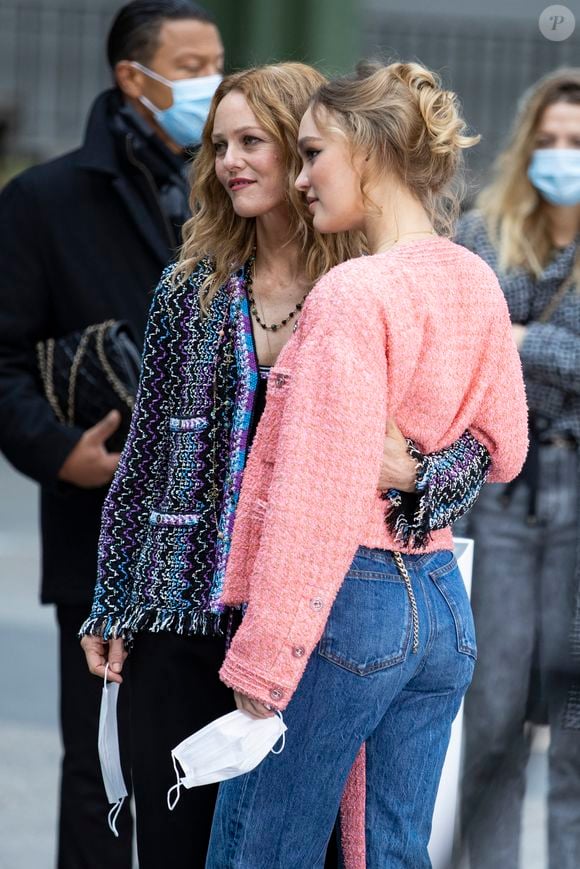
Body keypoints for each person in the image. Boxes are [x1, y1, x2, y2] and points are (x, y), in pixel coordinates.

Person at [79, 61, 494, 868]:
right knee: (177, 844)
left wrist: (415, 477)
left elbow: (474, 445)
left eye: (256, 142)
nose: (231, 161)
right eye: (218, 145)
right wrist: (112, 599)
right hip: (181, 619)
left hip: (317, 629)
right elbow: (147, 461)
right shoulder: (189, 289)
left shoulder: (370, 285)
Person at [204, 60, 529, 869]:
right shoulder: (473, 277)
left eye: (314, 153)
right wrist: (422, 469)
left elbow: (316, 493)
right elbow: (505, 446)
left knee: (260, 851)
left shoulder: (354, 291)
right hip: (442, 608)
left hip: (345, 602)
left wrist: (264, 656)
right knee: (391, 851)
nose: (303, 176)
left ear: (370, 151)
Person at [0, 2, 223, 866]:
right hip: (97, 526)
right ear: (135, 77)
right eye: (192, 63)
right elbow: (5, 356)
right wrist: (61, 453)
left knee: (205, 758)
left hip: (221, 534)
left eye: (217, 61)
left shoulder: (237, 186)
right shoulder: (43, 200)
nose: (211, 82)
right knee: (100, 772)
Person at [455, 68, 580, 869]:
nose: (561, 156)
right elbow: (466, 348)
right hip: (499, 489)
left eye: (576, 144)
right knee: (492, 712)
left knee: (574, 720)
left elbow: (507, 346)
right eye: (549, 141)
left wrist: (523, 342)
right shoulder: (482, 234)